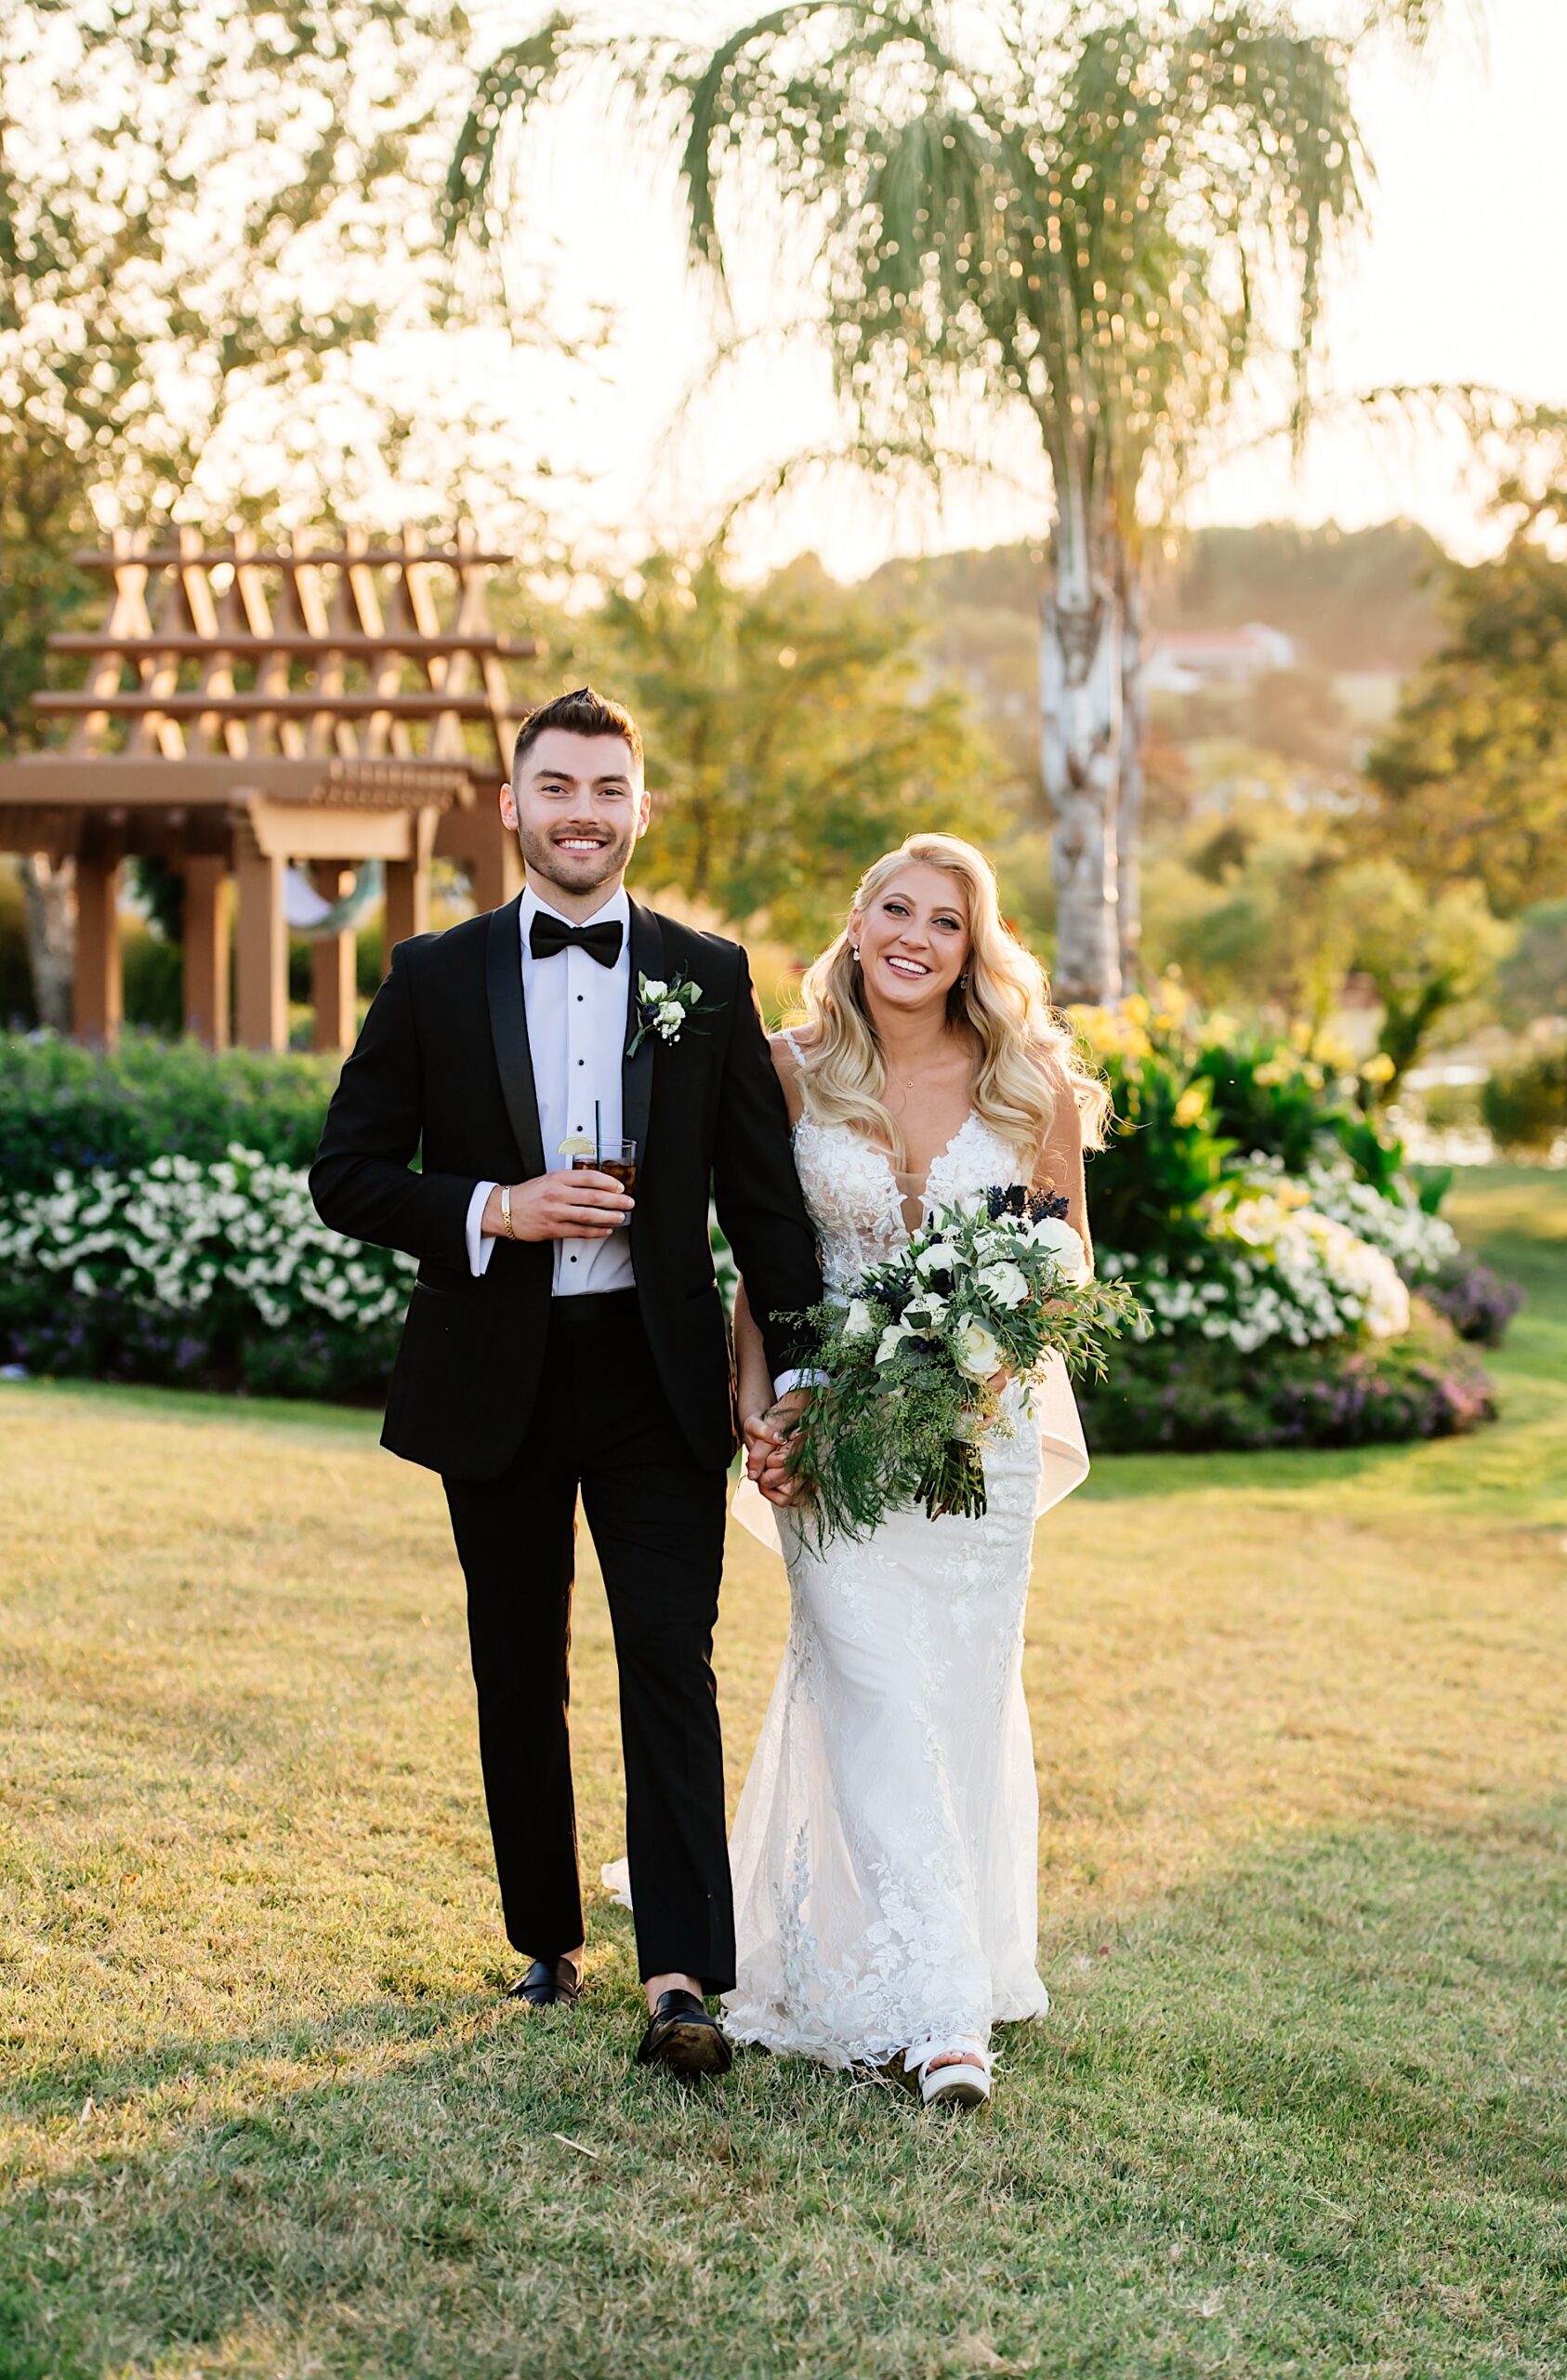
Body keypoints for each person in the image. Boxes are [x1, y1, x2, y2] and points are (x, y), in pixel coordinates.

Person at [310, 686, 823, 2080]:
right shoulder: (431, 975)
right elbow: (346, 1175)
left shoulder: (706, 974)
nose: (582, 814)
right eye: (558, 788)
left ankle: (683, 1980)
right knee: (515, 1663)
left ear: (640, 809)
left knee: (671, 1655)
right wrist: (495, 1208)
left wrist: (805, 1372)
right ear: (513, 805)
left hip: (655, 1377)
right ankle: (545, 1932)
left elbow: (762, 1202)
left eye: (608, 790)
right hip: (501, 1371)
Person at [727, 833, 1107, 2108]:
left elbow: (1067, 1269)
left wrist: (985, 1365)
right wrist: (754, 1398)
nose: (916, 935)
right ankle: (944, 2013)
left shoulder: (1027, 1080)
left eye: (946, 922)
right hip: (832, 1432)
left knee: (950, 1696)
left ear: (970, 949)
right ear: (858, 920)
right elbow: (759, 1257)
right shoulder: (788, 1070)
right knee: (871, 1686)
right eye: (897, 907)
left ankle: (937, 1953)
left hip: (968, 1449)